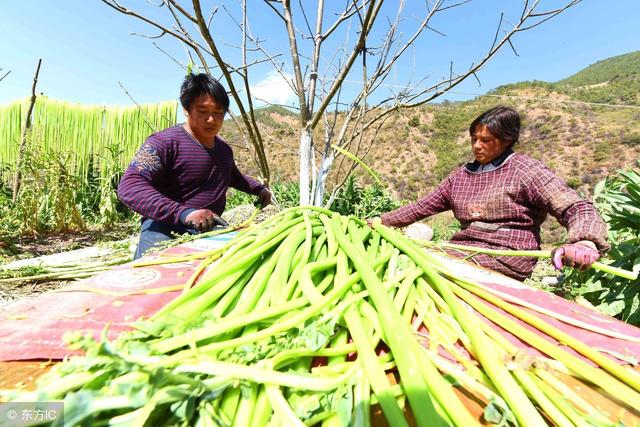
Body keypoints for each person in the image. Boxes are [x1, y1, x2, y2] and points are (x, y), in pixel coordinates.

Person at [377, 105, 609, 280]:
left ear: (507, 140)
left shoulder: (525, 170)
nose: (477, 145)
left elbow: (575, 207)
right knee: (401, 260)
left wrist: (585, 242)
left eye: (486, 140)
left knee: (420, 270)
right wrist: (379, 222)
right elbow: (420, 208)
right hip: (463, 250)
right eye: (474, 139)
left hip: (507, 257)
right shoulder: (461, 177)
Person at [118, 73, 272, 259]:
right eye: (202, 111)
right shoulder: (164, 142)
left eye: (218, 112)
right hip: (165, 227)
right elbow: (130, 186)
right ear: (186, 108)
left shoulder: (223, 150)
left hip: (209, 228)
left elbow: (233, 177)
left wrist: (259, 189)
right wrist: (185, 213)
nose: (211, 119)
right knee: (154, 275)